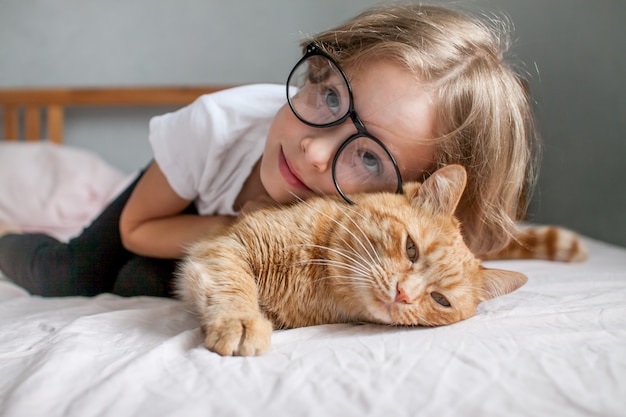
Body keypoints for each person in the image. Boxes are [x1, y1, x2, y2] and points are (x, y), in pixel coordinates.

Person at [0, 3, 537, 297]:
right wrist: (249, 227)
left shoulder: (395, 234)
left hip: (223, 242)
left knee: (135, 283)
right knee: (70, 276)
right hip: (178, 208)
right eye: (330, 96)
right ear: (320, 69)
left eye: (370, 158)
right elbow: (138, 231)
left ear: (411, 198)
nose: (314, 151)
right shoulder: (215, 125)